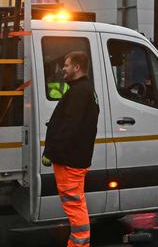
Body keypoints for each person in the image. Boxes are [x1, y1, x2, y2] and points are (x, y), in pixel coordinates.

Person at [43, 51, 100, 247]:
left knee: (75, 207)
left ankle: (79, 245)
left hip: (70, 161)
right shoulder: (83, 90)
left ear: (77, 68)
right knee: (75, 205)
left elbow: (70, 126)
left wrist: (51, 151)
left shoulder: (79, 92)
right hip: (73, 159)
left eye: (66, 65)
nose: (63, 69)